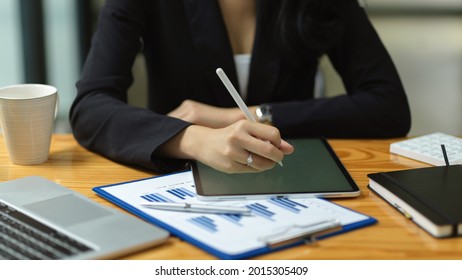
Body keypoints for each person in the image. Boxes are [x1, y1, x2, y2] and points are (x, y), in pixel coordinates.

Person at [70, 0, 411, 174]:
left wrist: (250, 117)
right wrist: (192, 138)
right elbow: (90, 106)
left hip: (290, 175)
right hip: (181, 181)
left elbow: (388, 105)